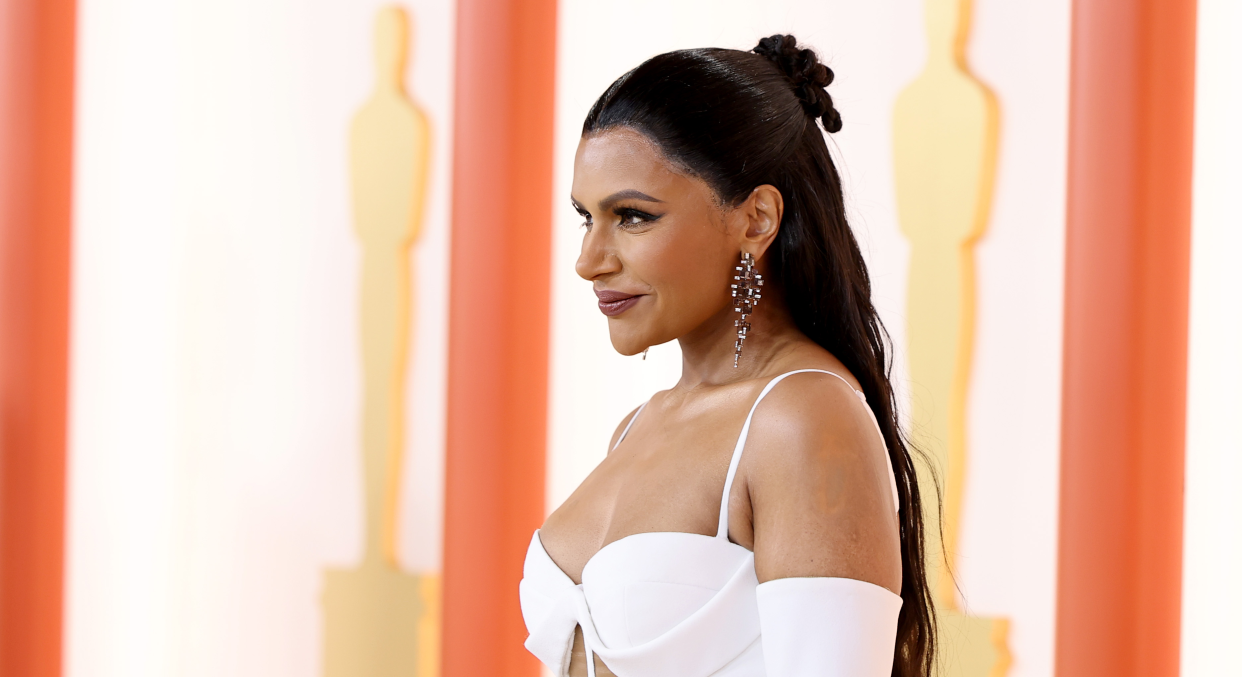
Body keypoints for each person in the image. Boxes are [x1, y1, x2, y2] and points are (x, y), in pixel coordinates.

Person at [519, 35, 935, 677]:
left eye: (632, 216)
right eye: (586, 218)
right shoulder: (638, 426)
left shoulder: (802, 417)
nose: (589, 261)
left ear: (757, 220)